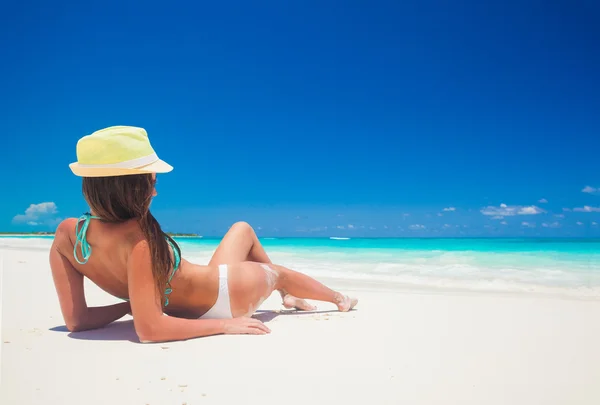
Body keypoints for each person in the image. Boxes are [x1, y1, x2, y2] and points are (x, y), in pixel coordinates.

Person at [50, 126, 358, 343]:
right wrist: (226, 324)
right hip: (221, 300)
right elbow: (150, 330)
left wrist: (131, 304)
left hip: (207, 280)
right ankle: (338, 298)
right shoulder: (139, 240)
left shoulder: (67, 236)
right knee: (276, 274)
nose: (155, 192)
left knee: (243, 228)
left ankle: (289, 298)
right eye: (151, 182)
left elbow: (77, 321)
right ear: (128, 187)